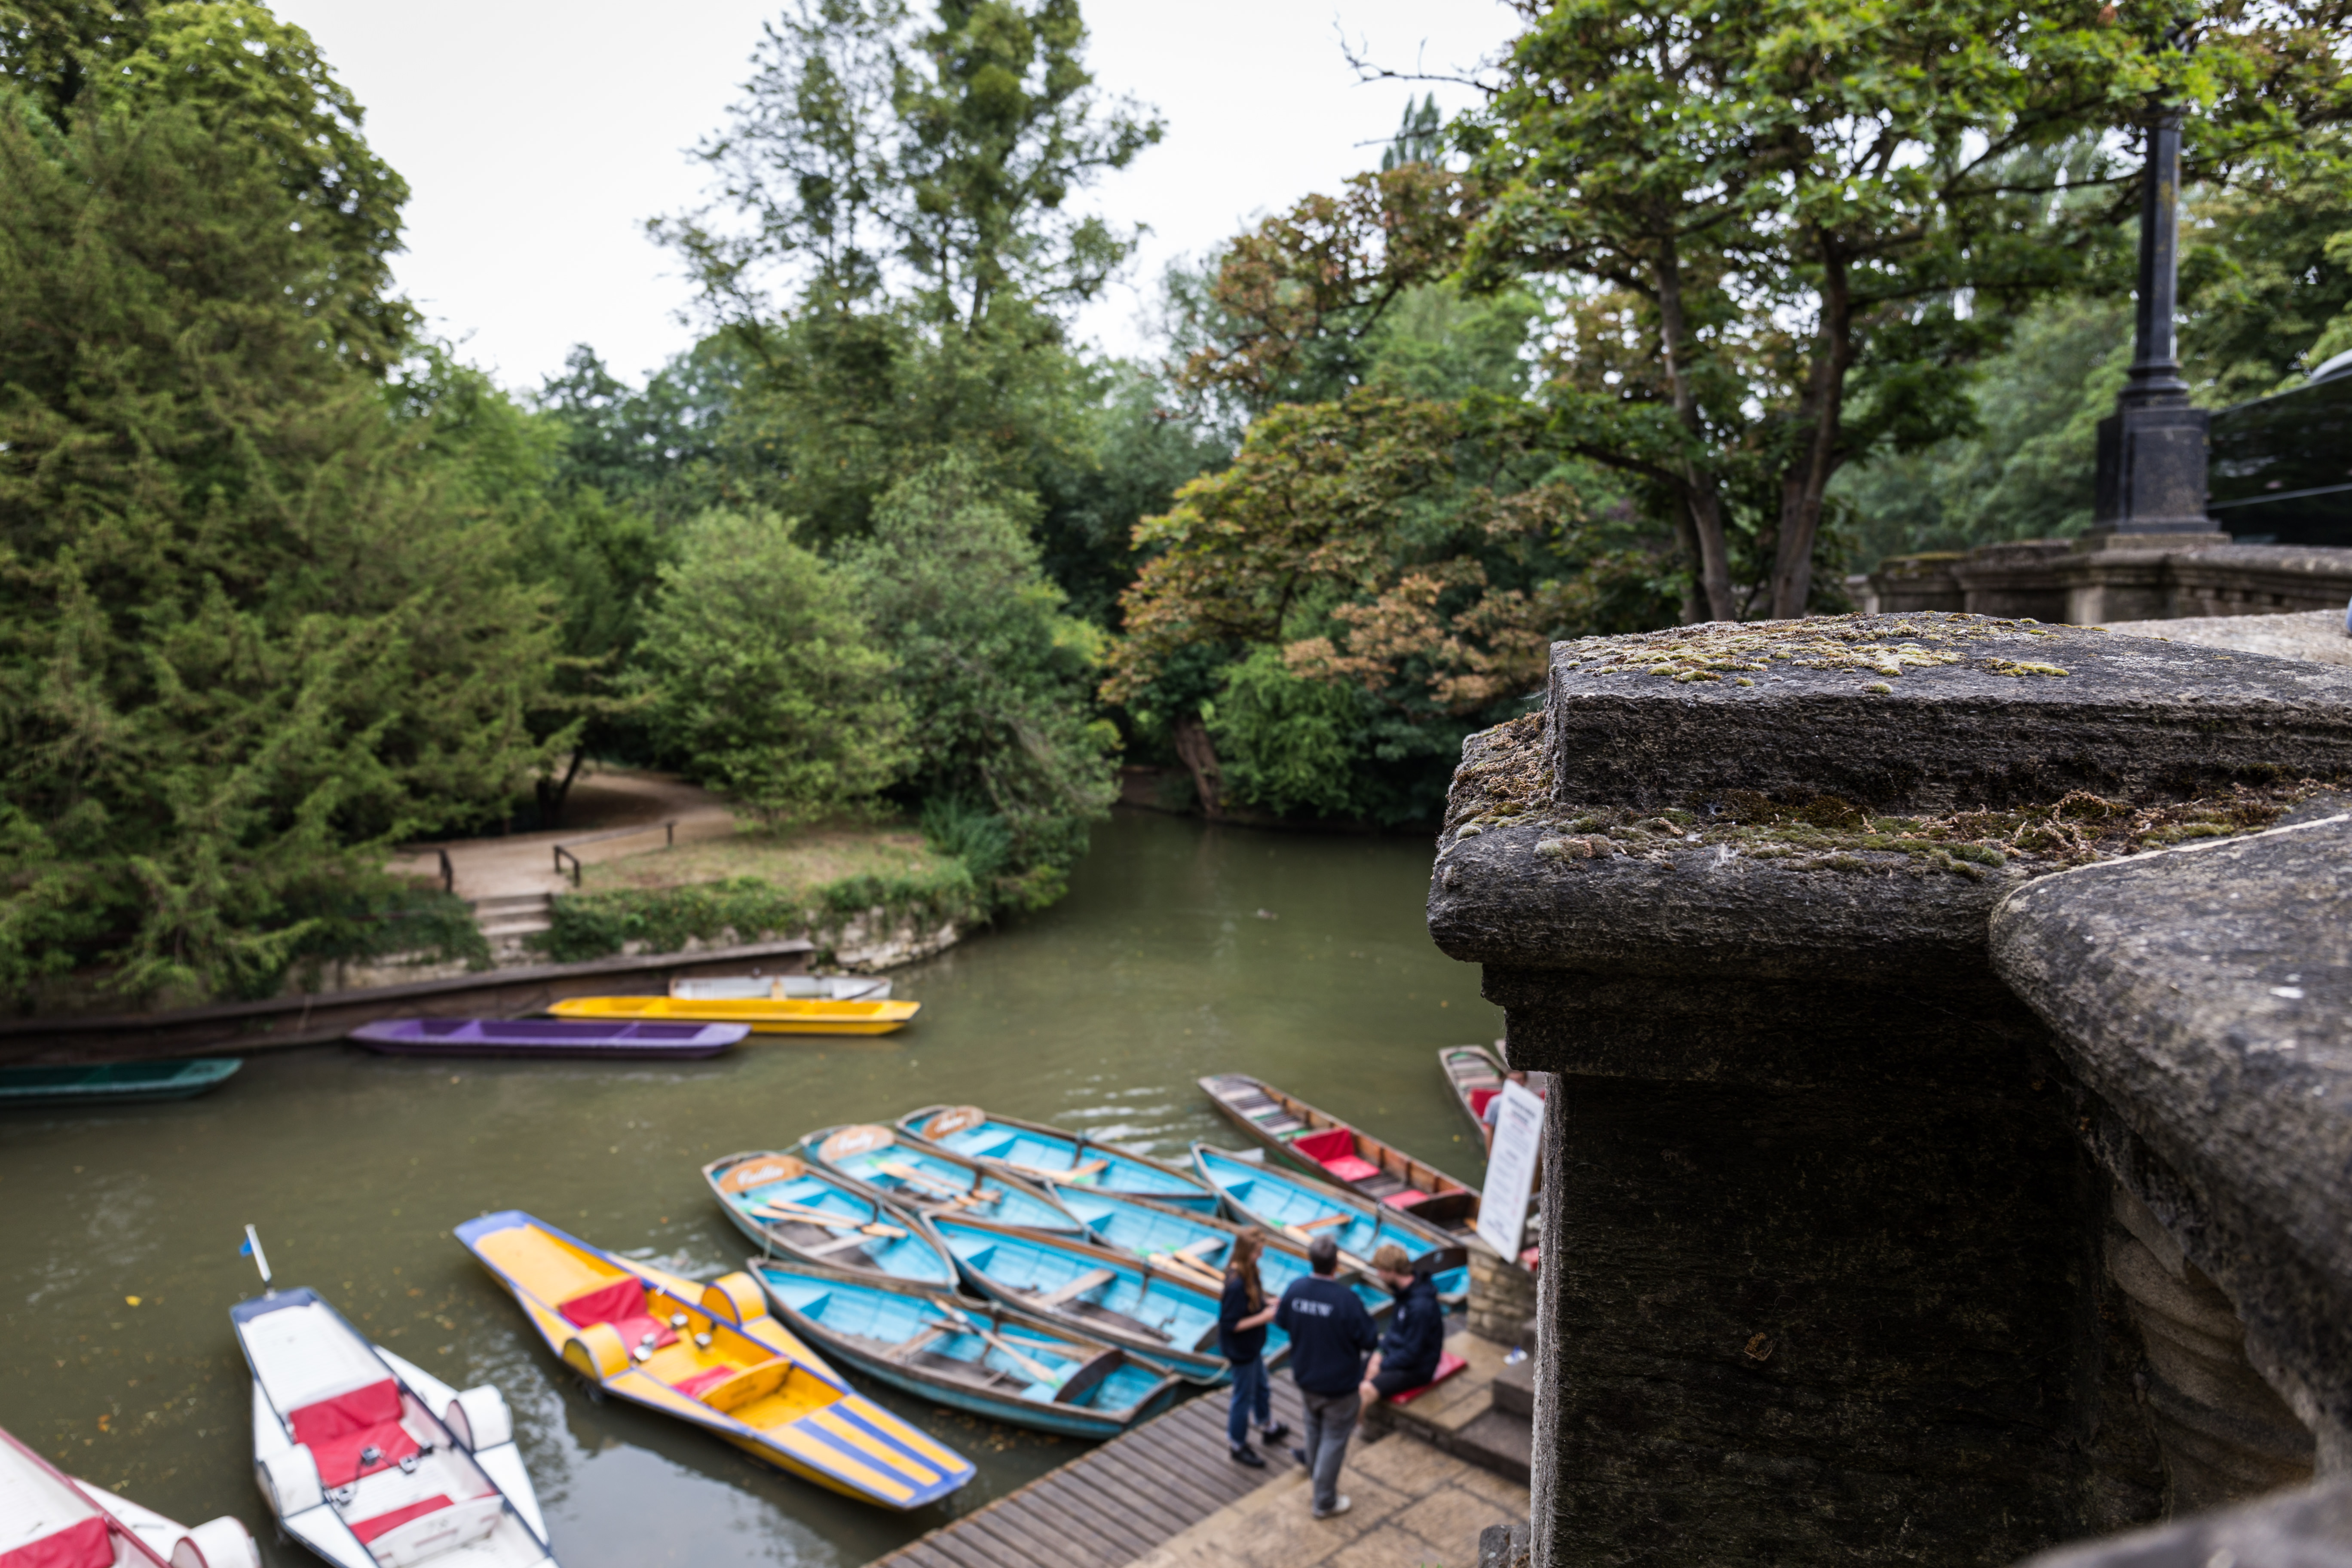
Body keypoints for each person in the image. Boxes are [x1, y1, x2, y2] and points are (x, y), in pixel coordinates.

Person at [1272, 1233, 1379, 1520]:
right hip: (1340, 1386)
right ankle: (1324, 1500)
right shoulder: (1346, 1300)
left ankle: (1317, 1479)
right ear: (1336, 1264)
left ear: (1312, 1261)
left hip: (1306, 1378)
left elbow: (1282, 1321)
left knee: (1313, 1430)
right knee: (1334, 1438)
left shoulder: (1295, 1289)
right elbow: (1370, 1339)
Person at [1218, 1229, 1287, 1466]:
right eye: (1258, 1252)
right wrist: (1265, 1317)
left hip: (1253, 1346)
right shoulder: (1236, 1284)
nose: (1261, 1255)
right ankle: (1237, 1444)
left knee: (1262, 1387)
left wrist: (1268, 1302)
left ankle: (1267, 1425)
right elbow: (1230, 1324)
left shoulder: (1250, 1272)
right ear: (1247, 1252)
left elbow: (1251, 1301)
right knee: (1243, 1397)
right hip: (1241, 1351)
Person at [1359, 1242, 1442, 1405]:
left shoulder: (1421, 1308)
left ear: (1392, 1271)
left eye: (1381, 1270)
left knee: (1366, 1390)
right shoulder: (1404, 1293)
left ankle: (1352, 1421)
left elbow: (1413, 1353)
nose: (1378, 1275)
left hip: (1418, 1368)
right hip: (1398, 1354)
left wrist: (1381, 1367)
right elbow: (1394, 1330)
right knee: (1352, 1371)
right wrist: (1379, 1353)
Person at [1482, 1068, 1531, 1154]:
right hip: (1502, 1147)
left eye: (1519, 1080)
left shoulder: (1531, 1104)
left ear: (1525, 1081)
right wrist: (1490, 1156)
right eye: (1512, 1080)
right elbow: (1490, 1130)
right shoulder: (1496, 1103)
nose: (1515, 1084)